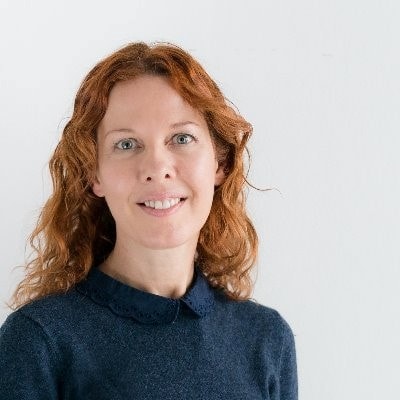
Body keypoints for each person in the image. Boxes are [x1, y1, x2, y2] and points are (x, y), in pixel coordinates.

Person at [0, 42, 298, 399]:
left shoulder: (266, 340)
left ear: (219, 162)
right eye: (127, 144)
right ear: (94, 173)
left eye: (181, 138)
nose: (157, 169)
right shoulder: (40, 341)